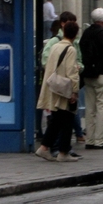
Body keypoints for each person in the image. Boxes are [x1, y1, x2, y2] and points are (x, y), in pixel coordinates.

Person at [36, 20, 81, 162]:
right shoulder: (71, 49)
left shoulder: (55, 46)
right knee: (67, 119)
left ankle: (44, 148)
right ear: (75, 35)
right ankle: (62, 152)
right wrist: (74, 91)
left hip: (53, 87)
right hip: (64, 89)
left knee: (57, 120)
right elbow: (71, 72)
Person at [80, 8, 103, 150]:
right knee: (102, 106)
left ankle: (89, 139)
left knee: (90, 108)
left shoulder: (86, 33)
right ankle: (100, 140)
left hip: (88, 75)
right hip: (102, 74)